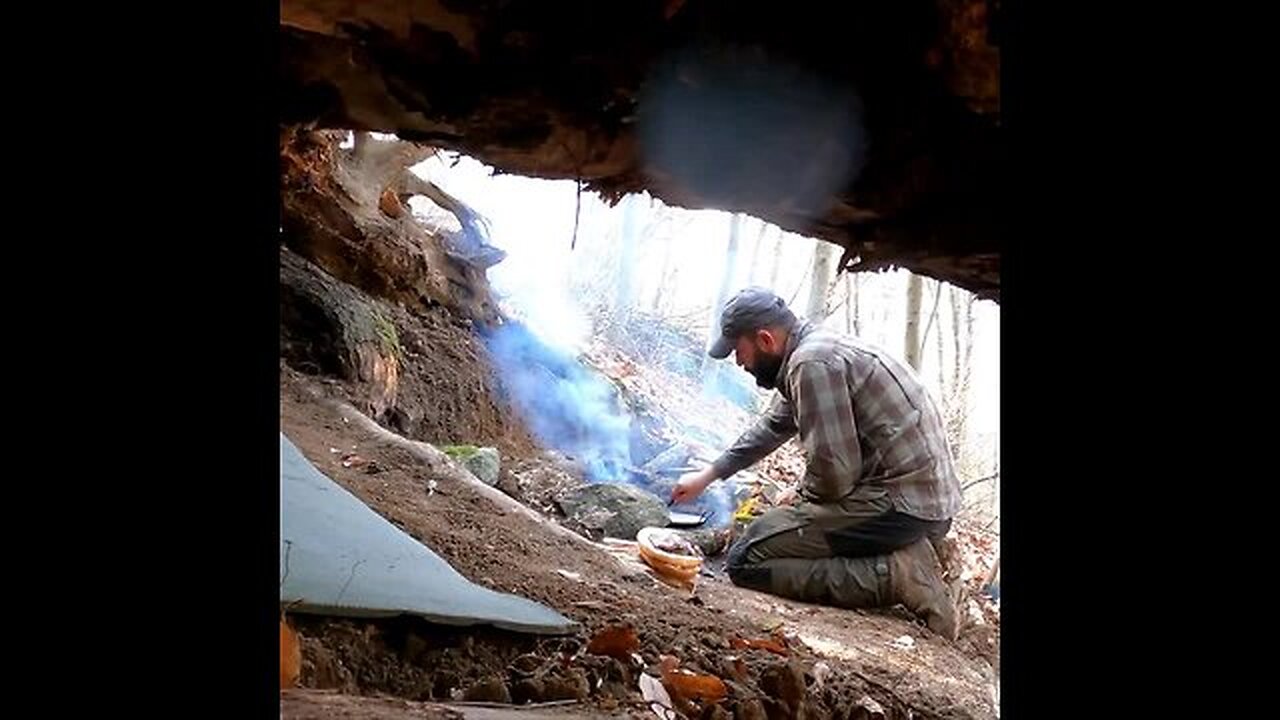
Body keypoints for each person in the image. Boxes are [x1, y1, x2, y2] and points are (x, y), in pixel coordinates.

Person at [671, 287, 962, 639]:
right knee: (765, 534)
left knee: (746, 559)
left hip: (901, 506)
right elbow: (773, 426)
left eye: (738, 350)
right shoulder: (813, 349)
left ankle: (898, 574)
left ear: (764, 339)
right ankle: (901, 554)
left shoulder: (811, 364)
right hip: (918, 500)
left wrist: (801, 495)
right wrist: (708, 475)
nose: (738, 362)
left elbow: (834, 477)